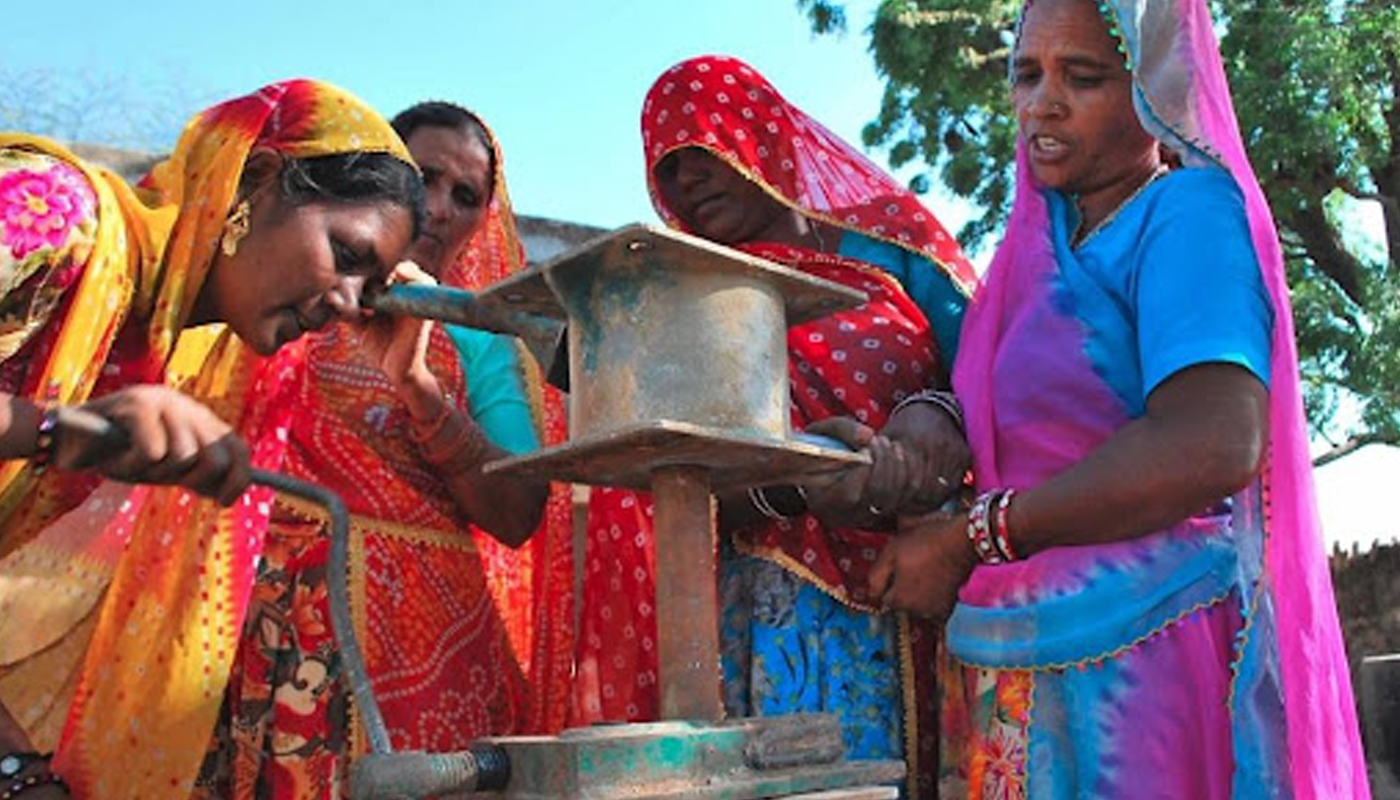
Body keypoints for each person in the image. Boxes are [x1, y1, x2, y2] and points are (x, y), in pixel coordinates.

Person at [870, 0, 1370, 797]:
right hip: (1014, 666)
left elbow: (1211, 443)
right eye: (1026, 74)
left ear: (1152, 87)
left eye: (1085, 76)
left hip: (1145, 668)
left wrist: (974, 539)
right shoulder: (1022, 263)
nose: (1044, 103)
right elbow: (995, 412)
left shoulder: (1188, 217)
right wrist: (920, 423)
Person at [0, 79, 424, 800]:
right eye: (347, 255)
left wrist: (16, 771)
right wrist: (54, 431)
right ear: (254, 180)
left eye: (371, 287)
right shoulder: (52, 211)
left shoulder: (160, 347)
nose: (348, 306)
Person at [573, 55, 977, 799]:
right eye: (670, 167)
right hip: (778, 615)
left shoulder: (894, 251)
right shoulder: (683, 295)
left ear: (764, 134)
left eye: (708, 149)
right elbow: (667, 489)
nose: (690, 177)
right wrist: (803, 485)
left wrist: (934, 419)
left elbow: (993, 371)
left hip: (941, 577)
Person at [195, 101, 574, 799]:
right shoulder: (278, 281)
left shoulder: (482, 332)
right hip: (248, 623)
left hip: (430, 651)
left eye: (467, 196)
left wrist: (419, 387)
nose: (439, 208)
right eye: (422, 177)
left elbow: (519, 512)